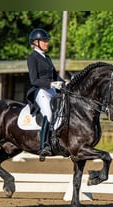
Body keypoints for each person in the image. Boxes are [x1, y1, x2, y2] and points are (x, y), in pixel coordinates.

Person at [26, 28, 65, 161]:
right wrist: (50, 84)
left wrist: (65, 83)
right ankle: (43, 146)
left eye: (46, 41)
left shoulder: (47, 58)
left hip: (52, 91)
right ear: (36, 42)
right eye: (44, 41)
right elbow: (34, 80)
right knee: (48, 114)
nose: (47, 43)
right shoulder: (32, 58)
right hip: (41, 91)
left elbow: (55, 75)